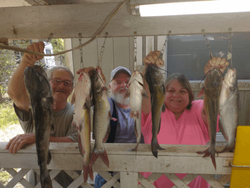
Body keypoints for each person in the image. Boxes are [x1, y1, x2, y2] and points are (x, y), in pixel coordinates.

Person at [140, 51, 229, 188]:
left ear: (190, 95)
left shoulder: (198, 108)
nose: (176, 95)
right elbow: (143, 94)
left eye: (182, 91)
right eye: (170, 90)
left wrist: (212, 76)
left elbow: (210, 103)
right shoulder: (154, 110)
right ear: (163, 93)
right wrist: (147, 71)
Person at [6, 41, 78, 187]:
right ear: (47, 82)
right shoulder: (33, 108)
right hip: (35, 183)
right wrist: (26, 61)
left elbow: (75, 141)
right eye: (56, 81)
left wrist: (36, 137)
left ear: (71, 88)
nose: (61, 86)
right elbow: (15, 95)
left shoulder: (75, 112)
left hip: (71, 183)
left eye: (67, 83)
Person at [78, 66, 144, 188]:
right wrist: (91, 79)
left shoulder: (141, 106)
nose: (124, 85)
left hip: (137, 170)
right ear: (109, 86)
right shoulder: (107, 104)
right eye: (118, 82)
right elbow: (93, 98)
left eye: (127, 82)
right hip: (109, 171)